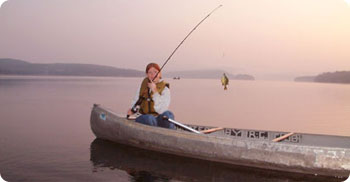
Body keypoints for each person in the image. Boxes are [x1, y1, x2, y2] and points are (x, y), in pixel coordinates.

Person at [127, 63, 175, 129]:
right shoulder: (143, 86)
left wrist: (155, 91)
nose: (153, 74)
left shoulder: (165, 89)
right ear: (147, 75)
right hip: (144, 117)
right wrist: (132, 110)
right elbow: (135, 101)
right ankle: (157, 131)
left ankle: (169, 133)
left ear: (160, 74)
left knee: (168, 114)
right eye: (150, 72)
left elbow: (162, 110)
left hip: (158, 118)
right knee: (149, 118)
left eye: (155, 72)